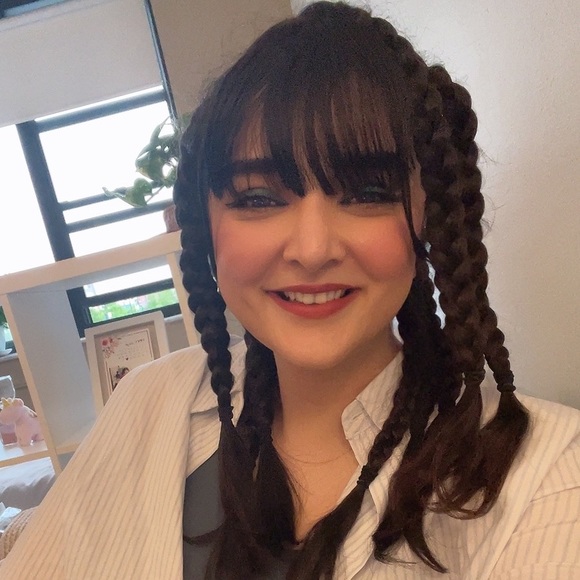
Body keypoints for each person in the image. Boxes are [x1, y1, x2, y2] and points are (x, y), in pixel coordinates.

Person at [0, 2, 578, 579]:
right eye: (258, 198)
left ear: (431, 216)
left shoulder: (548, 477)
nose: (312, 248)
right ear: (203, 225)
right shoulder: (146, 401)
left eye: (368, 193)